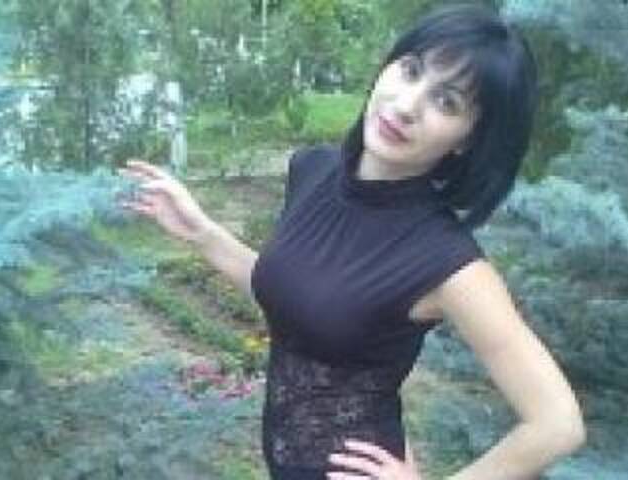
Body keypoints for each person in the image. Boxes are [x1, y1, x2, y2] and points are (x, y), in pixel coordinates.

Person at [118, 4, 586, 479]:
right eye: (411, 71)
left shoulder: (449, 264)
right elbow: (298, 292)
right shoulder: (312, 169)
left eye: (446, 102)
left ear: (468, 138)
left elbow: (557, 423)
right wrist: (202, 233)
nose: (406, 106)